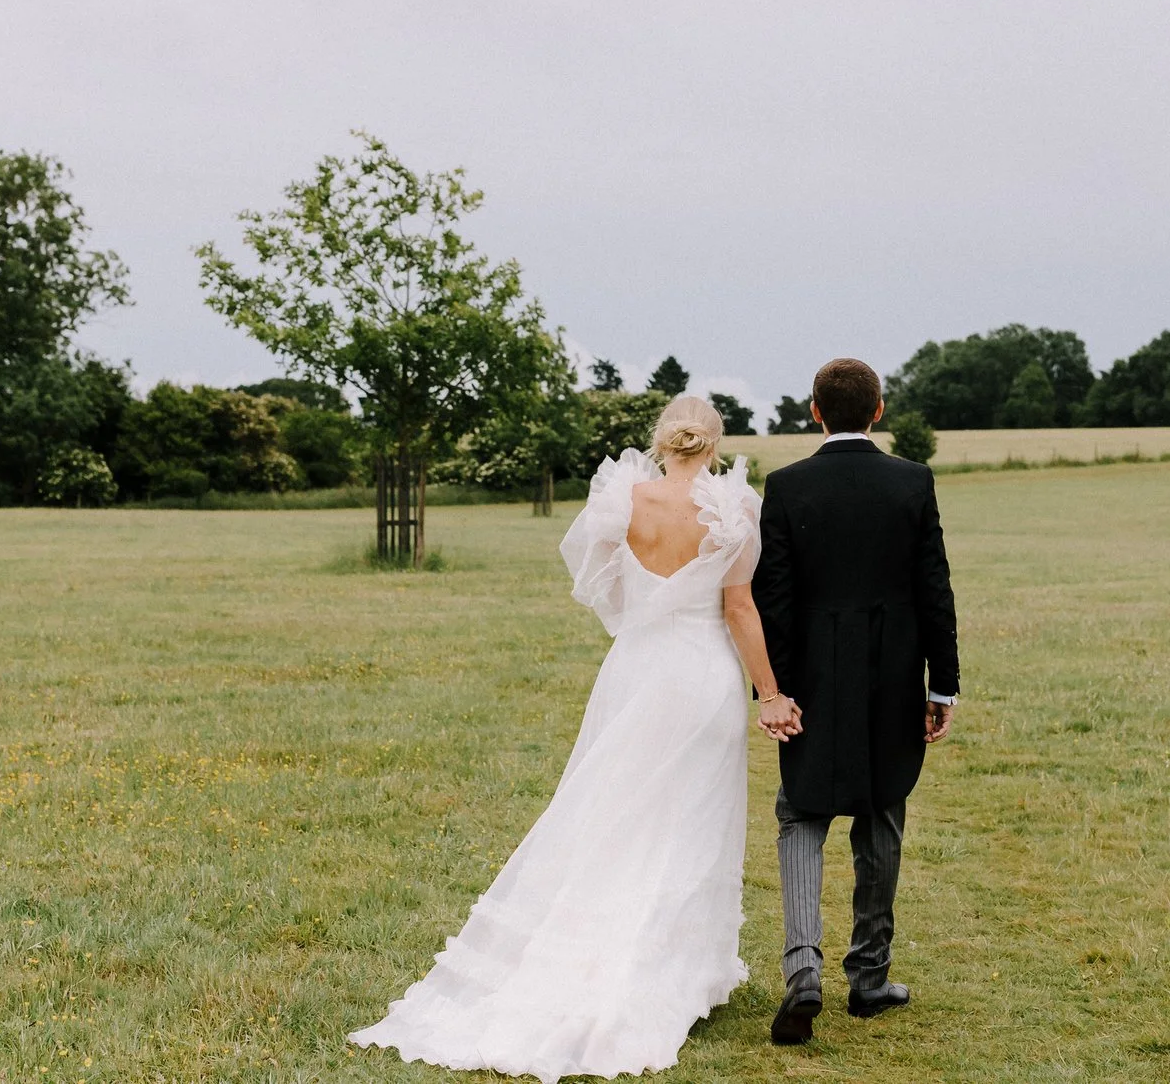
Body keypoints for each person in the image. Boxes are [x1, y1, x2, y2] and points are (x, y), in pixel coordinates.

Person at [352, 394, 798, 1082]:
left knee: (615, 814)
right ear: (714, 443)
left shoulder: (623, 499)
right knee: (690, 822)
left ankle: (633, 958)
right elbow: (739, 606)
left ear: (661, 440)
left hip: (638, 668)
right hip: (705, 675)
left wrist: (645, 618)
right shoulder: (735, 508)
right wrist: (769, 691)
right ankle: (670, 972)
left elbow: (604, 588)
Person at [752, 357, 961, 1045]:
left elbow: (771, 601)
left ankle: (802, 969)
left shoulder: (785, 486)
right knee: (882, 811)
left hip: (809, 680)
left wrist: (772, 689)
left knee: (800, 815)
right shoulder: (911, 480)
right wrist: (941, 684)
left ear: (815, 410)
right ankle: (869, 977)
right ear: (877, 410)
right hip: (892, 674)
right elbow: (935, 588)